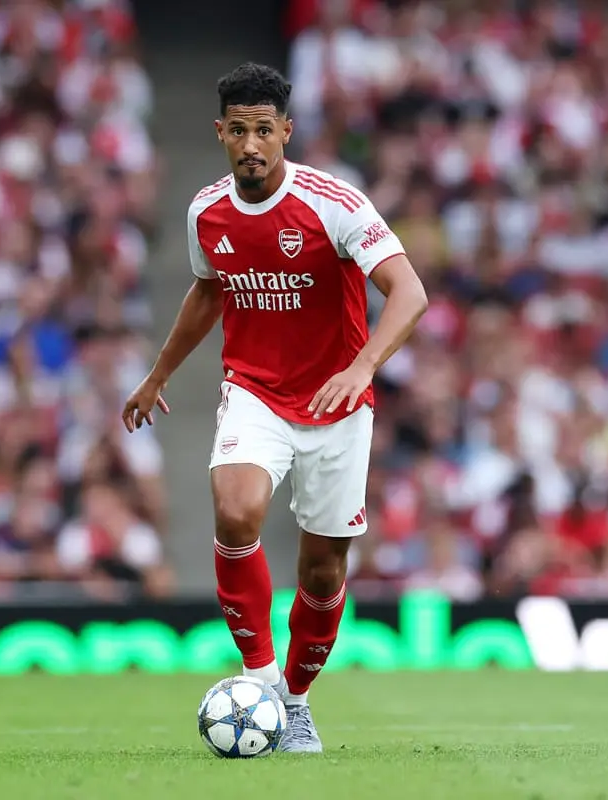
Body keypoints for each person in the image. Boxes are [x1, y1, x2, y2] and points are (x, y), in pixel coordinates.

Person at [121, 62, 427, 752]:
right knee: (234, 507)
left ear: (285, 132)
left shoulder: (334, 203)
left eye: (265, 130)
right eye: (239, 130)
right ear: (221, 134)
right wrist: (157, 375)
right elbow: (207, 293)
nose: (252, 143)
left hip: (337, 400)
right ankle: (258, 675)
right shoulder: (207, 211)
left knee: (323, 572)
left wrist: (362, 366)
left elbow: (409, 293)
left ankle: (294, 700)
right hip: (255, 389)